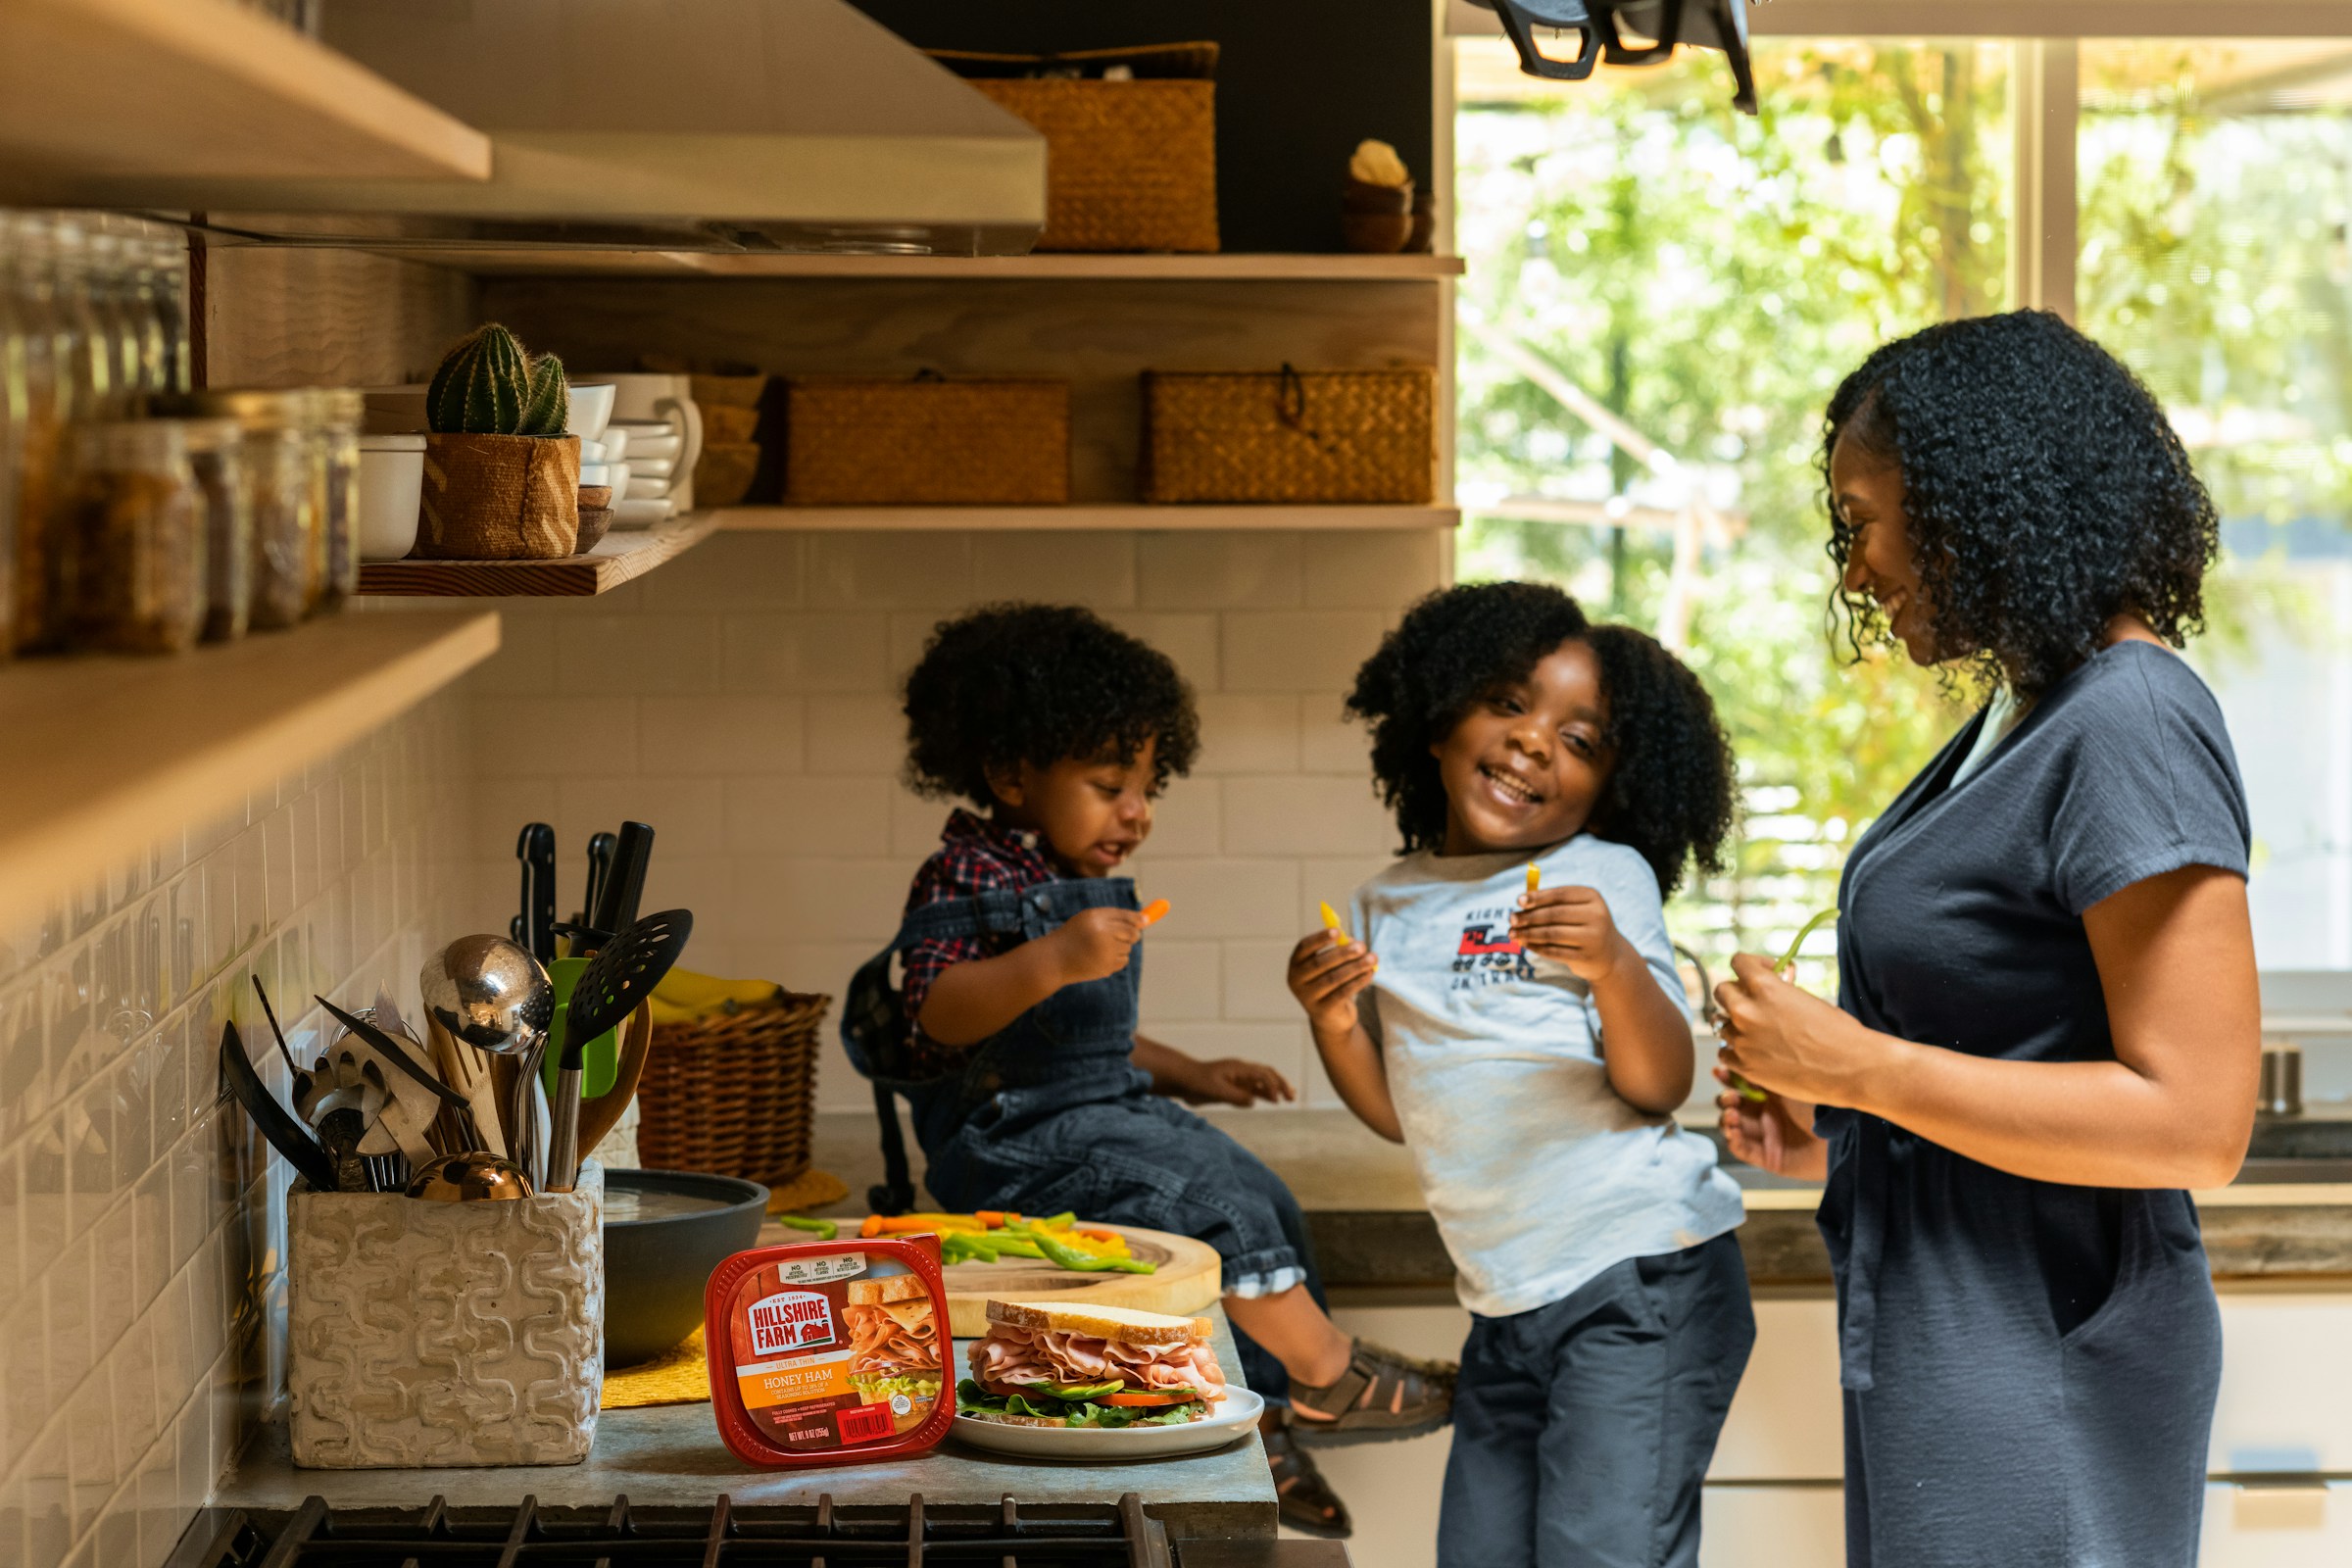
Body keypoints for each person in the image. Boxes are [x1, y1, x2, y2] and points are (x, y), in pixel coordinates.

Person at [1712, 311, 2261, 1568]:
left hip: (2043, 1355)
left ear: (1975, 503)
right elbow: (2015, 1041)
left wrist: (1857, 1071)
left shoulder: (2130, 719)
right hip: (1952, 1336)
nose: (1855, 568)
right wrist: (1835, 1126)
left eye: (1865, 520)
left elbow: (2198, 1121)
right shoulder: (2028, 705)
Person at [840, 603, 1452, 1538]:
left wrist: (1195, 1072)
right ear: (1012, 774)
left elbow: (1090, 1043)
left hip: (1099, 1109)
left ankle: (1272, 1417)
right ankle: (1330, 1374)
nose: (1138, 810)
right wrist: (1053, 958)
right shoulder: (967, 873)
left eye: (1146, 785)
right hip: (1009, 1139)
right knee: (1214, 1204)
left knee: (1262, 1192)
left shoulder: (1067, 872)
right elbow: (940, 1011)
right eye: (1107, 783)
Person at [1289, 581, 1753, 1568]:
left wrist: (1614, 967)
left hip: (1638, 1278)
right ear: (1438, 720)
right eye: (1507, 702)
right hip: (1504, 1302)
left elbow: (1662, 1083)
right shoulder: (1387, 903)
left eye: (1580, 739)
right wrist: (1333, 1021)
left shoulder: (1602, 877)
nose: (1536, 742)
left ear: (1614, 782)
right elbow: (1399, 1109)